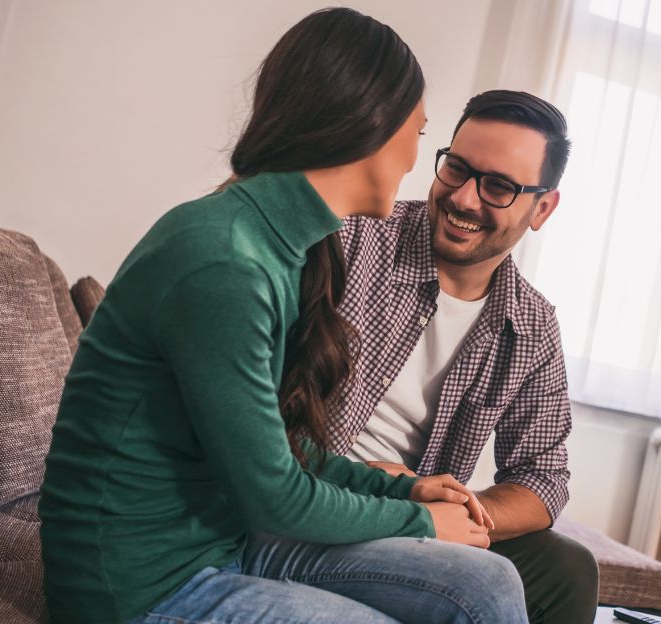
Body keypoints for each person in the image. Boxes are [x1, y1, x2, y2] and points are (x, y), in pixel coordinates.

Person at [38, 9, 527, 624]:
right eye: (419, 135)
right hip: (140, 587)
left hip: (223, 541)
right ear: (369, 126)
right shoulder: (225, 260)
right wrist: (422, 520)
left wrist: (401, 487)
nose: (412, 163)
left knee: (489, 583)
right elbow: (275, 496)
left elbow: (281, 452)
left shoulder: (284, 245)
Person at [331, 90, 599, 623]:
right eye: (456, 168)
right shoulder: (353, 238)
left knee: (566, 569)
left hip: (417, 520)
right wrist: (393, 494)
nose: (464, 199)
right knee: (481, 583)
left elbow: (543, 478)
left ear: (542, 208)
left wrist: (459, 513)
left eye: (498, 186)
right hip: (321, 498)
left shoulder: (531, 324)